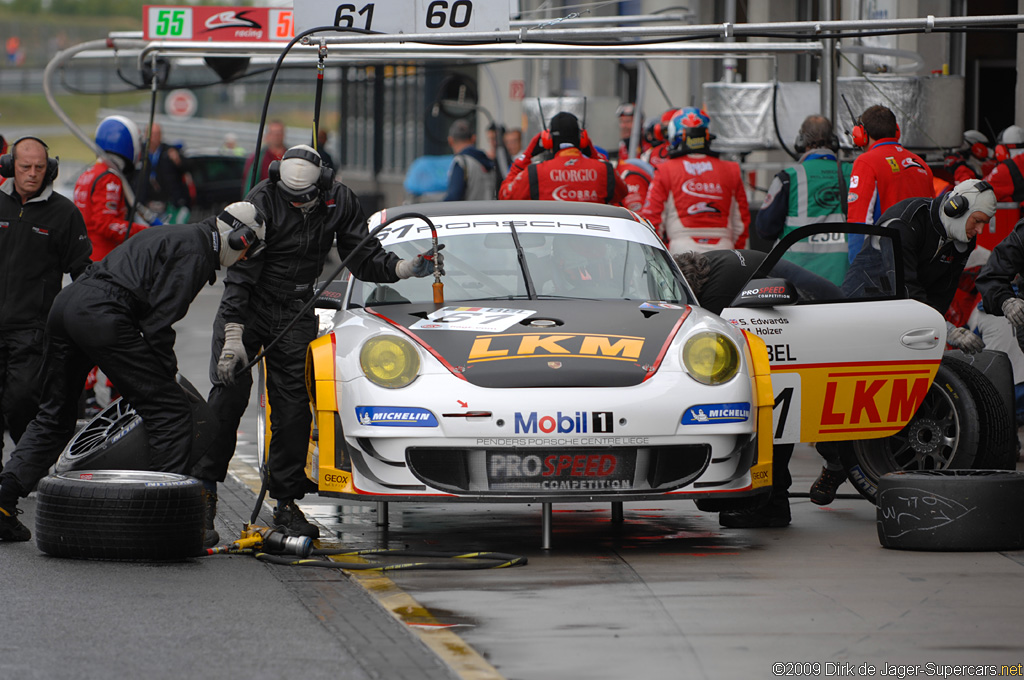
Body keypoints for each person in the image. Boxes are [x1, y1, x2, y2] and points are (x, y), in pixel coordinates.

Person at [192, 144, 443, 544]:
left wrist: (404, 267)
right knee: (227, 396)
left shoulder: (339, 200)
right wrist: (234, 337)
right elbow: (239, 274)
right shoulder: (261, 200)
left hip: (295, 307)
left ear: (323, 182)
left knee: (292, 410)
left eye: (305, 198)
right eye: (291, 199)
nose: (298, 205)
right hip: (249, 306)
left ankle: (286, 503)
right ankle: (203, 492)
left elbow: (363, 257)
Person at [0, 203, 266, 542]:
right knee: (171, 413)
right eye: (249, 251)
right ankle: (164, 525)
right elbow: (157, 324)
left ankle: (3, 500)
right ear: (240, 239)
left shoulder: (175, 235)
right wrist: (168, 377)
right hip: (102, 313)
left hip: (67, 305)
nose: (245, 260)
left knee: (54, 417)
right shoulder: (197, 253)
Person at [813, 178, 997, 506]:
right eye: (978, 221)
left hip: (912, 309)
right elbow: (905, 284)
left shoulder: (960, 240)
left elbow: (942, 293)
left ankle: (890, 456)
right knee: (852, 391)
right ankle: (835, 463)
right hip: (867, 303)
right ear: (957, 208)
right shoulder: (905, 222)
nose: (979, 231)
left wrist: (938, 331)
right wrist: (943, 327)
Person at [672, 249, 843, 528]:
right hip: (816, 312)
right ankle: (833, 459)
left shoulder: (716, 296)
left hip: (820, 316)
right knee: (773, 403)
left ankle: (770, 505)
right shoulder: (710, 263)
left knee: (769, 408)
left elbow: (710, 366)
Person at [0, 136, 91, 472]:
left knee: (22, 402)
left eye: (40, 167)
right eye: (25, 166)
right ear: (10, 167)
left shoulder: (64, 213)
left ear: (50, 169)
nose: (33, 173)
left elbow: (83, 271)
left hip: (34, 332)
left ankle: (28, 470)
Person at [756, 115, 852, 285]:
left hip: (797, 279)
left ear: (801, 142)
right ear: (834, 141)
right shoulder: (853, 173)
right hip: (844, 274)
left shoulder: (789, 177)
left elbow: (765, 229)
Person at [640, 107, 750, 254]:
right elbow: (741, 225)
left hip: (681, 251)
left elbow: (651, 221)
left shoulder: (665, 170)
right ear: (707, 135)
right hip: (724, 250)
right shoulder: (732, 169)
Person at [845, 104, 933, 262]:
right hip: (917, 262)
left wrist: (857, 269)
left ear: (862, 135)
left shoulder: (866, 162)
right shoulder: (921, 164)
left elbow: (859, 222)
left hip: (884, 263)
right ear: (896, 131)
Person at [499, 111, 627, 206]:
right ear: (582, 139)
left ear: (548, 140)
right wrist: (594, 154)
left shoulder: (535, 173)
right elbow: (622, 192)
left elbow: (505, 196)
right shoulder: (603, 170)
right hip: (595, 241)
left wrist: (525, 156)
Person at [74, 115, 148, 262]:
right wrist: (145, 232)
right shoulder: (109, 178)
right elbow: (106, 223)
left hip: (85, 253)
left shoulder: (89, 174)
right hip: (102, 259)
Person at [139, 123, 192, 224]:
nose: (155, 137)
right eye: (152, 134)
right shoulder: (140, 152)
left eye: (157, 134)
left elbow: (188, 167)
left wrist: (178, 160)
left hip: (167, 206)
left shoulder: (169, 151)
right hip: (145, 205)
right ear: (146, 135)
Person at [444, 119, 496, 201]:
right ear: (473, 138)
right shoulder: (489, 162)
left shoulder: (461, 162)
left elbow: (453, 197)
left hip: (468, 213)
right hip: (490, 212)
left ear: (450, 140)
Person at [243, 119, 286, 189]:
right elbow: (249, 184)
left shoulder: (289, 157)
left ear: (283, 135)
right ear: (267, 136)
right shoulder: (257, 159)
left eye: (279, 133)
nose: (276, 136)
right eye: (273, 133)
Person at [615, 102, 648, 166]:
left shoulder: (647, 147)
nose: (623, 126)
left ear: (640, 123)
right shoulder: (623, 145)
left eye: (628, 121)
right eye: (621, 121)